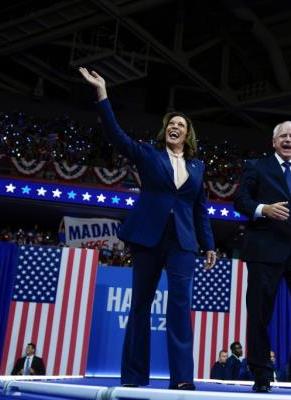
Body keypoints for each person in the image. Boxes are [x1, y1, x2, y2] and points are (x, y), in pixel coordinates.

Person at [78, 68, 216, 391]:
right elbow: (116, 135)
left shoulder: (198, 167)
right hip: (148, 238)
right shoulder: (148, 154)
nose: (175, 127)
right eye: (171, 123)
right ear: (165, 130)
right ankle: (134, 377)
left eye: (181, 125)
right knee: (140, 306)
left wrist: (208, 244)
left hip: (183, 242)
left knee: (180, 308)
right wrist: (102, 95)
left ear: (188, 134)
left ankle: (182, 379)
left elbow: (200, 208)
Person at [234, 121, 291, 393]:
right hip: (265, 248)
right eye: (283, 136)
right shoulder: (256, 167)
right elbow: (240, 200)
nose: (288, 140)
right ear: (274, 142)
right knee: (260, 312)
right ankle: (261, 372)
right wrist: (264, 209)